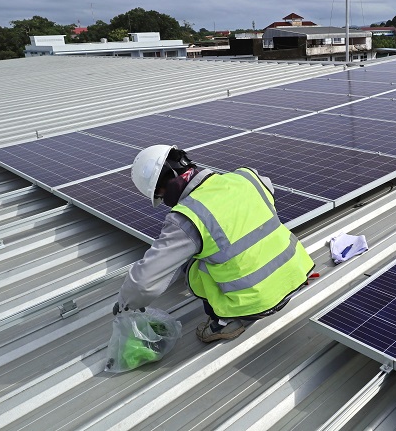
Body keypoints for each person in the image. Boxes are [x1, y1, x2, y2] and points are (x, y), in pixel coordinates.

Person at [113, 145, 315, 342]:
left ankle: (225, 321)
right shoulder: (246, 177)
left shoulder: (187, 218)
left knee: (191, 263)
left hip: (256, 304)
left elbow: (143, 283)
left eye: (160, 195)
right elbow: (267, 193)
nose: (164, 200)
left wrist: (125, 304)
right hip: (296, 274)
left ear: (163, 187)